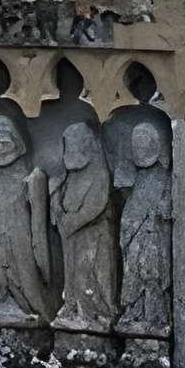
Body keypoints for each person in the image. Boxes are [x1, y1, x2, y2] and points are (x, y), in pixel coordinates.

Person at [0, 113, 52, 321]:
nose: (1, 148)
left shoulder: (23, 167)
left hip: (19, 223)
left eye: (5, 143)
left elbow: (32, 198)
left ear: (15, 143)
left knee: (22, 262)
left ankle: (27, 304)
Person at [52, 120, 118, 330]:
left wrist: (72, 221)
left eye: (76, 145)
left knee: (87, 274)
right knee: (71, 275)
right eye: (69, 146)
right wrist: (57, 205)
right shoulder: (71, 174)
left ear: (88, 146)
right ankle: (72, 307)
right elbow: (62, 198)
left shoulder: (99, 173)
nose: (72, 151)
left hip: (94, 237)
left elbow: (96, 206)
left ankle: (92, 314)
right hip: (72, 237)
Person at [117, 120, 173, 336]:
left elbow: (168, 209)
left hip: (153, 237)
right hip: (134, 235)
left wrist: (160, 210)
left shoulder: (165, 177)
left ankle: (155, 316)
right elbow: (128, 203)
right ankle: (134, 312)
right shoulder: (137, 175)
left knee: (152, 276)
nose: (139, 150)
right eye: (136, 146)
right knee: (132, 273)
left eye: (143, 145)